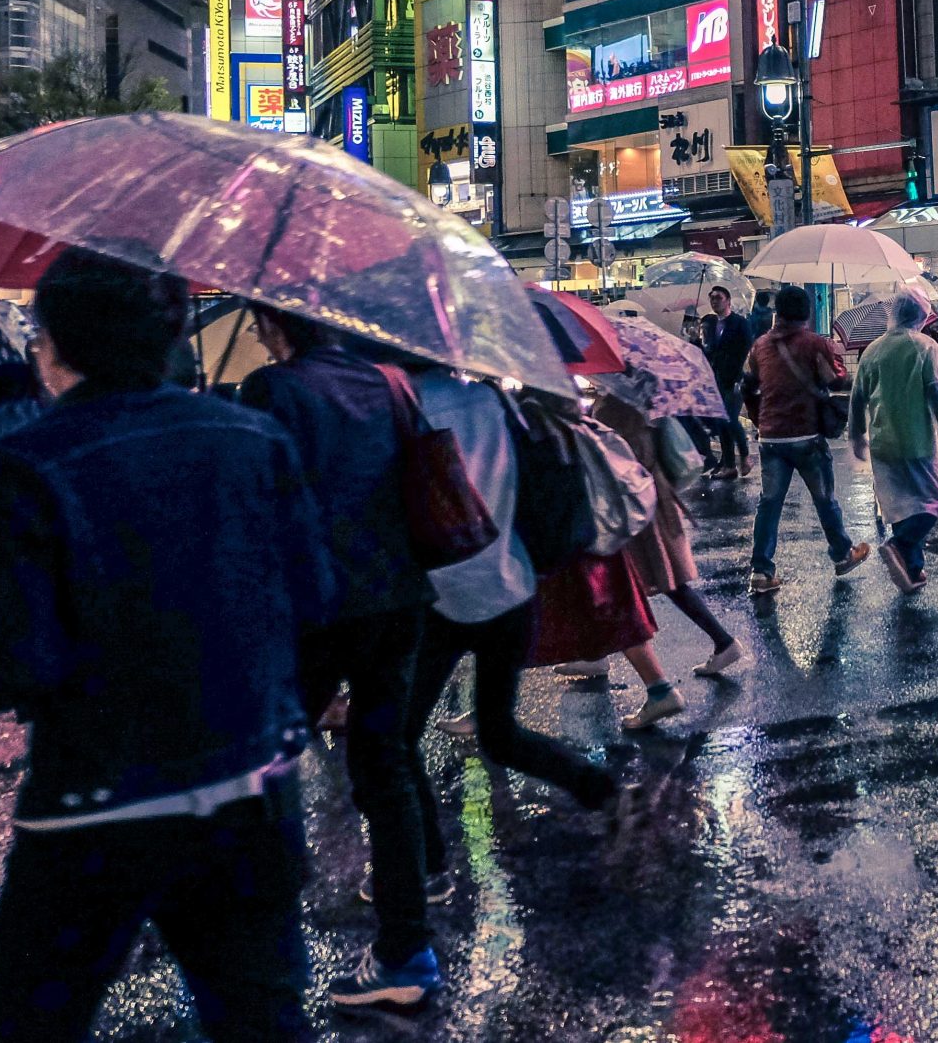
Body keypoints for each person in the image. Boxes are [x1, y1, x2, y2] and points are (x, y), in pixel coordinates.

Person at [0, 249, 335, 1042]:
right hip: (248, 782)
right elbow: (314, 597)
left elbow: (11, 666)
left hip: (92, 804)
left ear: (52, 342)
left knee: (36, 1019)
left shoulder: (11, 470)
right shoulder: (255, 440)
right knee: (263, 1019)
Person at [238, 308, 440, 1011]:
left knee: (264, 760)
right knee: (385, 768)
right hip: (399, 596)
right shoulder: (386, 380)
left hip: (316, 604)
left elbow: (261, 505)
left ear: (271, 321)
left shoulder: (272, 390)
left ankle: (259, 945)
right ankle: (407, 949)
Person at [402, 363, 619, 902]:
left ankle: (426, 864)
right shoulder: (491, 400)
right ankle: (594, 784)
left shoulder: (401, 409)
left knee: (396, 738)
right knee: (497, 732)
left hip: (442, 595)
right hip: (509, 583)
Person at [587, 390, 745, 722]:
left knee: (634, 581)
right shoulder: (640, 397)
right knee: (655, 581)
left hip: (634, 503)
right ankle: (721, 642)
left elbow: (620, 456)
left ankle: (715, 647)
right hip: (648, 496)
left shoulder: (618, 403)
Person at [744, 284, 872, 594]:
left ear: (778, 313)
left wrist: (759, 419)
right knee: (824, 498)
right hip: (806, 435)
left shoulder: (759, 346)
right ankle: (842, 554)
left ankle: (761, 571)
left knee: (770, 503)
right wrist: (834, 355)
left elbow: (746, 385)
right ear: (807, 312)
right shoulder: (815, 344)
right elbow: (837, 379)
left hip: (771, 437)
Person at [849, 290, 938, 592]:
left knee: (901, 508)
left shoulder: (872, 351)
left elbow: (857, 399)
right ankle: (897, 546)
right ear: (920, 315)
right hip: (917, 441)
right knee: (929, 505)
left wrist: (856, 437)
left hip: (882, 444)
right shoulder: (924, 348)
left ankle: (913, 570)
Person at [700, 285, 754, 475]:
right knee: (720, 421)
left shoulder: (739, 322)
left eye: (718, 298)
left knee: (730, 419)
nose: (715, 301)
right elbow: (708, 350)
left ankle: (745, 455)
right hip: (716, 378)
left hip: (735, 378)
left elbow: (747, 345)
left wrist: (734, 365)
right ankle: (729, 464)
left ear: (728, 300)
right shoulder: (711, 324)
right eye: (712, 298)